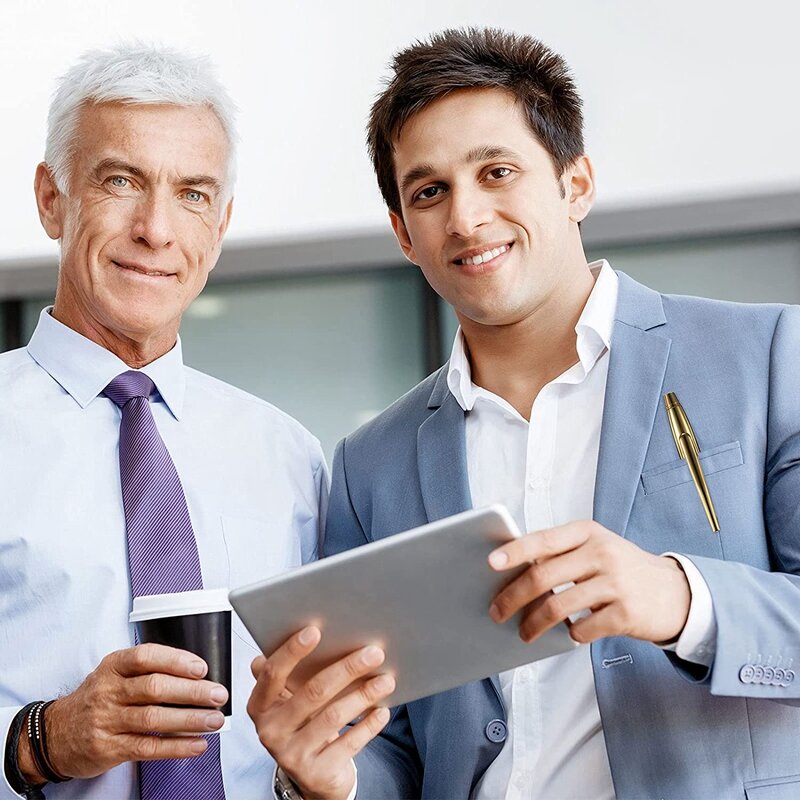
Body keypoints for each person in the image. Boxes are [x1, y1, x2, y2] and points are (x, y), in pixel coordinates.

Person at [247, 27, 800, 800]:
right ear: (405, 234)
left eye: (497, 172)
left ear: (575, 185)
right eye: (429, 191)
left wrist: (682, 598)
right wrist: (323, 779)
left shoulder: (767, 354)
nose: (466, 219)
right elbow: (391, 744)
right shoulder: (371, 462)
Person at [0, 45, 327, 800]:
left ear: (221, 224)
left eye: (193, 194)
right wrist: (40, 741)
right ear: (52, 199)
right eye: (121, 181)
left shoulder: (288, 457)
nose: (157, 228)